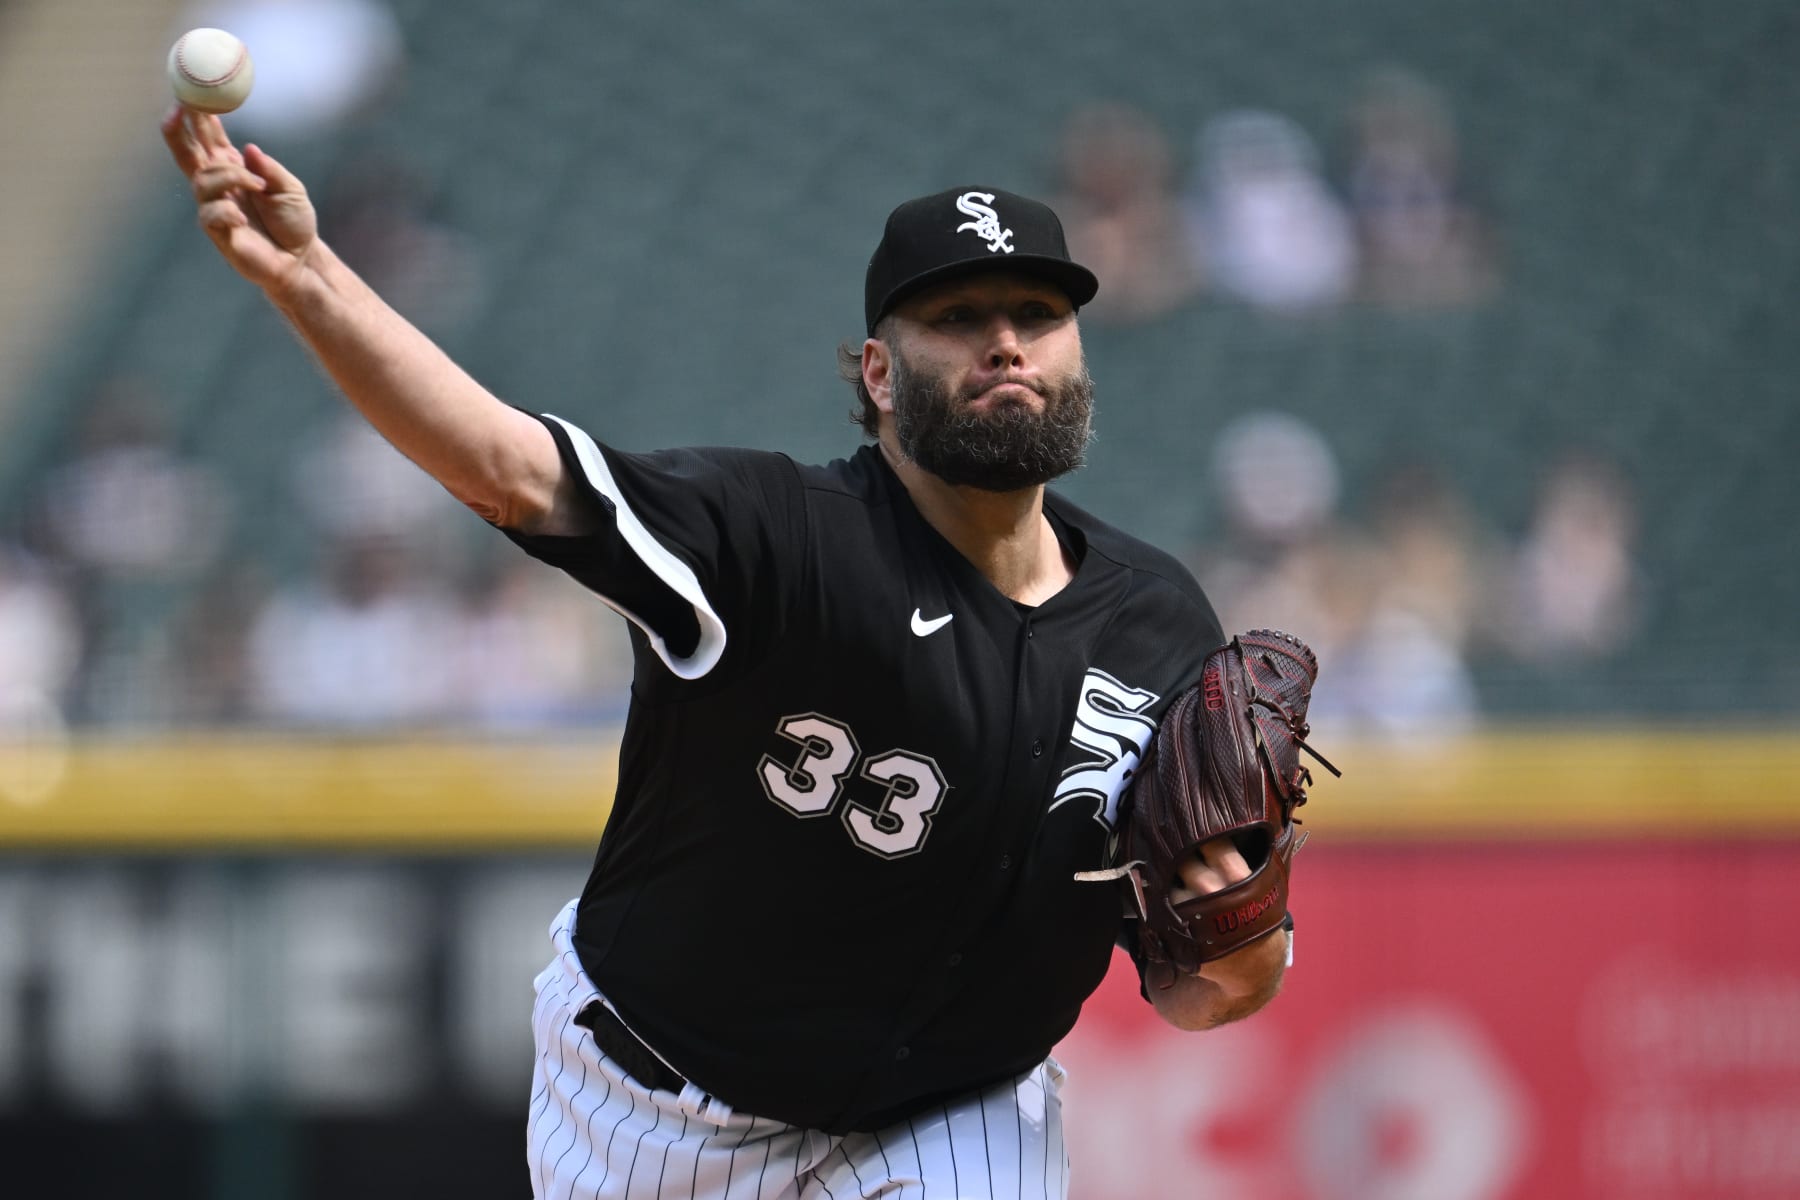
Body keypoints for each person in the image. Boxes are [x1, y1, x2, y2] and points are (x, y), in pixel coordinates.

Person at [162, 107, 1291, 1199]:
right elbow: (507, 469)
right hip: (658, 1110)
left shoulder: (1159, 627)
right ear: (879, 377)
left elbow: (1205, 991)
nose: (1006, 339)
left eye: (1039, 312)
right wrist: (307, 276)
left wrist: (1243, 960)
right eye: (956, 316)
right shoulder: (772, 536)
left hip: (960, 1107)